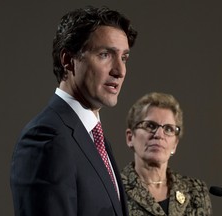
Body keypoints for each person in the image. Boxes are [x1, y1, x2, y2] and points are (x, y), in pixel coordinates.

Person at [10, 6, 137, 216]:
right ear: (68, 60)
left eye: (124, 58)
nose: (120, 71)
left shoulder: (97, 140)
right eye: (105, 54)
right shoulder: (47, 138)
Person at [121, 92, 212, 216]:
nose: (159, 135)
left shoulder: (196, 192)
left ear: (175, 144)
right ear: (130, 138)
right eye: (150, 125)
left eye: (168, 129)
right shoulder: (114, 189)